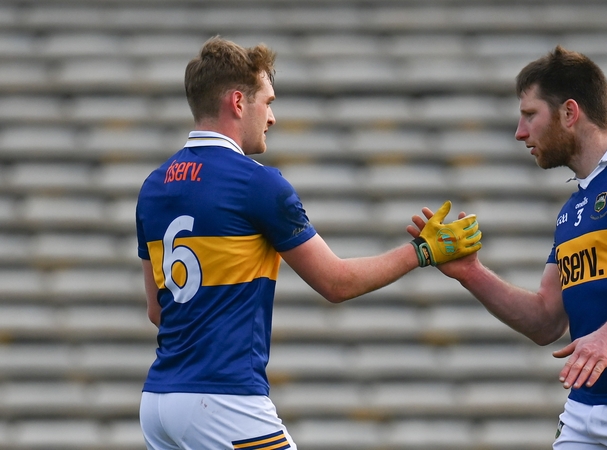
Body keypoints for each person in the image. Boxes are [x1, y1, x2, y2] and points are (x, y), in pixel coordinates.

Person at [135, 36, 481, 450]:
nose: (273, 117)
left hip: (158, 403)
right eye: (268, 101)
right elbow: (336, 283)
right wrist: (423, 251)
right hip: (223, 400)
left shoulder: (153, 187)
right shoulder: (257, 183)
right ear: (237, 102)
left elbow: (158, 310)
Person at [408, 45, 607, 449]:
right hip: (585, 407)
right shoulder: (573, 210)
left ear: (569, 113)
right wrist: (471, 272)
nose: (520, 132)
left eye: (530, 115)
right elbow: (546, 321)